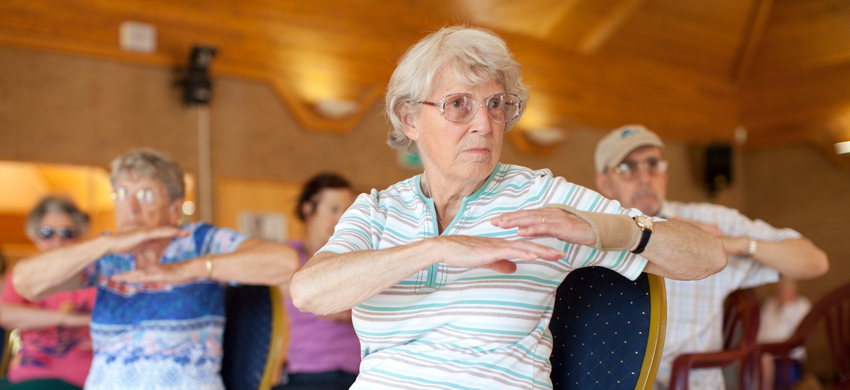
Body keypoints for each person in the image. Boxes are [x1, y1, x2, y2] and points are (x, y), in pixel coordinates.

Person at [289, 26, 727, 390]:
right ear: (409, 119)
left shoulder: (540, 197)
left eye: (496, 104)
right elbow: (310, 292)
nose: (484, 123)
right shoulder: (378, 210)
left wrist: (614, 231)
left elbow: (708, 256)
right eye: (458, 105)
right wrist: (436, 248)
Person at [12, 149, 300, 390]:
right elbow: (26, 283)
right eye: (122, 193)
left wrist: (189, 269)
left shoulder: (199, 242)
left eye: (147, 194)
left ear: (175, 209)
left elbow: (285, 263)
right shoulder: (106, 256)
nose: (131, 207)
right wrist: (105, 245)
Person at [593, 124, 829, 390]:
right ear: (605, 183)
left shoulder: (709, 221)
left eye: (653, 164)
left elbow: (815, 261)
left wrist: (730, 245)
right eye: (627, 168)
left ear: (665, 173)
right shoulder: (588, 234)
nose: (645, 177)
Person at [0, 197, 97, 390]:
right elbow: (5, 314)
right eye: (47, 233)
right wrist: (69, 319)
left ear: (80, 236)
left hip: (82, 377)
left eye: (67, 233)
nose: (57, 240)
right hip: (29, 374)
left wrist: (36, 318)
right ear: (35, 236)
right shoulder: (24, 274)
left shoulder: (96, 275)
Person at [274, 173, 359, 390]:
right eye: (333, 210)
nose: (342, 218)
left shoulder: (360, 257)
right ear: (308, 210)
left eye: (347, 210)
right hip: (304, 373)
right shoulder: (287, 256)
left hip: (357, 372)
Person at [757, 279, 812, 390]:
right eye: (780, 290)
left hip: (788, 345)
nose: (782, 293)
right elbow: (762, 326)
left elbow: (800, 326)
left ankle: (766, 387)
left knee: (764, 356)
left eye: (786, 290)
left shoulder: (802, 304)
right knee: (748, 354)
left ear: (794, 290)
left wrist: (785, 307)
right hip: (765, 344)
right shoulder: (770, 303)